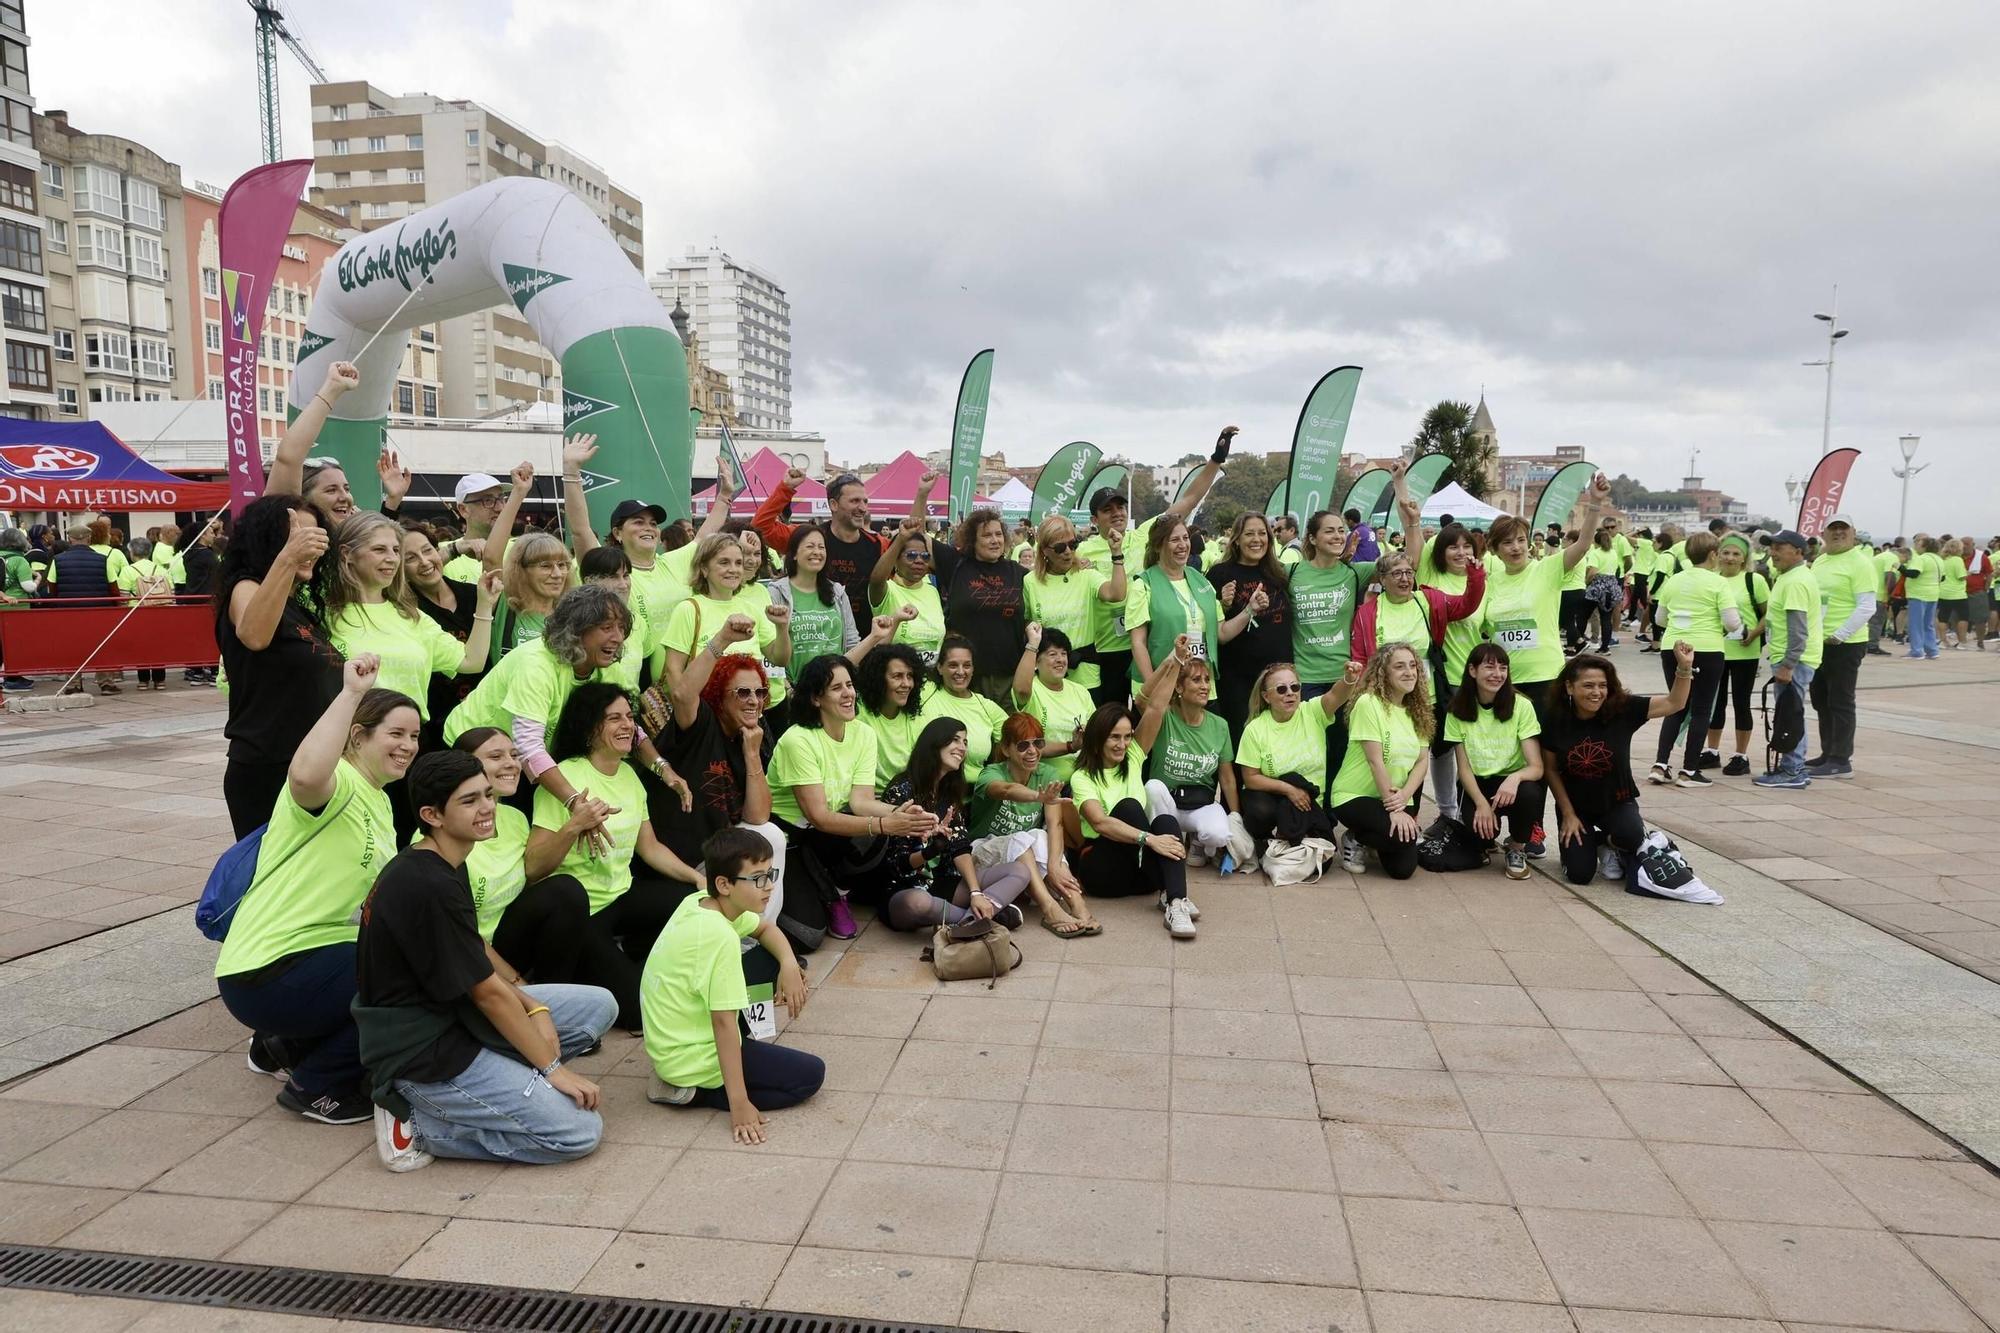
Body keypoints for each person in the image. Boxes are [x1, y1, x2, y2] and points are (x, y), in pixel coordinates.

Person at [355, 750, 616, 1171]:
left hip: (456, 1016)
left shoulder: (446, 858)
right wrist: (552, 1069)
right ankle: (415, 1122)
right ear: (432, 814)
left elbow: (472, 949)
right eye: (470, 800)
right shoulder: (426, 883)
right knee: (577, 1133)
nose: (487, 808)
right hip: (422, 1049)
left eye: (488, 795)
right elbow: (488, 995)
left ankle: (506, 1080)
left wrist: (535, 1005)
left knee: (599, 1004)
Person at [215, 656, 415, 1125]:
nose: (409, 745)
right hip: (269, 969)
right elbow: (304, 776)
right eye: (396, 733)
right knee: (403, 975)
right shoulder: (339, 782)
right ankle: (316, 1085)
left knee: (394, 953)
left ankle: (281, 1046)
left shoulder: (380, 802)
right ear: (357, 737)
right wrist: (350, 695)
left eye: (414, 736)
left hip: (300, 963)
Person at [529, 684, 703, 1028]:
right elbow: (533, 867)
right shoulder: (565, 778)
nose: (628, 726)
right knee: (639, 1016)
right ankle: (596, 969)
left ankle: (633, 964)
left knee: (692, 902)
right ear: (590, 727)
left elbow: (649, 847)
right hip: (583, 912)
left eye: (629, 717)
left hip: (622, 895)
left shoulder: (628, 775)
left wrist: (696, 878)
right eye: (614, 718)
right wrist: (574, 825)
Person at [641, 828, 821, 1144]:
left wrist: (790, 965)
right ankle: (693, 1093)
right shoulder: (719, 936)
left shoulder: (700, 901)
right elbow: (723, 1023)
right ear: (725, 884)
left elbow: (766, 928)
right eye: (757, 879)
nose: (769, 887)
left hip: (672, 1043)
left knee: (770, 958)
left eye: (770, 874)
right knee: (809, 1077)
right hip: (690, 1057)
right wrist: (739, 1104)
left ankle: (716, 1076)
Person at [767, 654, 938, 941]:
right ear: (815, 699)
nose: (848, 693)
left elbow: (860, 802)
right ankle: (820, 891)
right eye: (836, 688)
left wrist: (907, 816)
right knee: (809, 935)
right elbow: (818, 817)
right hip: (791, 837)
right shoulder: (798, 740)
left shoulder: (863, 733)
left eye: (849, 685)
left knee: (881, 832)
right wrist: (884, 824)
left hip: (827, 834)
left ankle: (838, 891)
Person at [217, 498, 346, 836]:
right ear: (267, 542)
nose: (310, 547)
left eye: (314, 537)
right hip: (270, 767)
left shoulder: (297, 607)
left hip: (311, 767)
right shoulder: (246, 588)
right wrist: (288, 558)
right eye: (296, 537)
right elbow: (254, 635)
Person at [1074, 428, 1232, 702]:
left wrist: (1216, 460)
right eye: (1108, 510)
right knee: (1114, 725)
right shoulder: (1084, 551)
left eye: (1120, 507)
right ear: (1094, 519)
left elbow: (1188, 501)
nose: (1117, 514)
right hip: (1109, 649)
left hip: (1150, 645)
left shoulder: (1144, 534)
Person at [444, 727, 599, 986]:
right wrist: (517, 984)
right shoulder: (445, 829)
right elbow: (455, 931)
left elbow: (533, 876)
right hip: (462, 953)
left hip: (504, 941)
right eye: (496, 756)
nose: (511, 764)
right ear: (464, 763)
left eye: (515, 755)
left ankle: (556, 993)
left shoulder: (515, 818)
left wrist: (574, 826)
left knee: (565, 890)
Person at [325, 511, 499, 736]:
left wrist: (484, 604)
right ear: (347, 554)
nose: (391, 558)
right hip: (348, 741)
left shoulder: (411, 615)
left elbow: (471, 661)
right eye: (379, 549)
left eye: (396, 551)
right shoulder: (322, 610)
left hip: (410, 744)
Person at [1541, 644, 1695, 884]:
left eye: (1603, 685)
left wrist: (1684, 668)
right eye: (1588, 685)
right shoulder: (1555, 719)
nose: (1597, 692)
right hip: (1576, 807)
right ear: (1569, 687)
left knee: (1632, 837)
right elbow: (1550, 769)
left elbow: (1674, 704)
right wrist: (1568, 814)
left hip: (1617, 801)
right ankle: (1585, 846)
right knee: (1580, 875)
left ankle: (1605, 843)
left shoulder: (1622, 709)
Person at [1070, 662, 1200, 939]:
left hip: (1140, 876)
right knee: (1129, 807)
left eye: (1127, 736)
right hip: (1102, 873)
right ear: (1096, 740)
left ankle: (1175, 901)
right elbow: (1100, 822)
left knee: (1165, 819)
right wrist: (1150, 839)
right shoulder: (1082, 777)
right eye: (1114, 737)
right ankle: (1172, 892)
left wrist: (1177, 662)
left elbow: (1155, 708)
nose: (1123, 744)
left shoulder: (1133, 756)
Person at [879, 717, 1036, 932]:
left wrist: (976, 893)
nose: (962, 747)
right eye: (955, 740)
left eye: (965, 742)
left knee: (1020, 871)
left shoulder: (949, 794)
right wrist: (933, 849)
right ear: (935, 742)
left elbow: (961, 847)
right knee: (917, 903)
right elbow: (896, 866)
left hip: (942, 884)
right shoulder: (902, 790)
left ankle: (972, 921)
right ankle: (983, 919)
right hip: (903, 889)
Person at [969, 713, 1095, 937]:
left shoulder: (1047, 773)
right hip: (983, 852)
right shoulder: (991, 773)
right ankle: (1050, 908)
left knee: (1039, 834)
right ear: (1006, 749)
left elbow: (1055, 824)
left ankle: (1076, 902)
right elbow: (1006, 790)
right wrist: (1038, 796)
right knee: (1022, 839)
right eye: (1022, 745)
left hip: (1023, 854)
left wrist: (1055, 865)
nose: (1032, 751)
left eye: (1038, 743)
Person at [1327, 644, 1433, 879]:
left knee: (1402, 870)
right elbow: (1375, 761)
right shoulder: (1368, 703)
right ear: (1383, 672)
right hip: (1355, 796)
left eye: (1413, 665)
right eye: (1399, 666)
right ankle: (1355, 838)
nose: (1409, 672)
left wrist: (1404, 796)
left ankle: (1371, 838)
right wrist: (1394, 808)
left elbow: (1422, 761)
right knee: (1401, 835)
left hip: (1396, 795)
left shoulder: (1417, 710)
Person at [1647, 532, 1743, 788]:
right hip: (1707, 648)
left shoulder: (1674, 581)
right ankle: (1689, 770)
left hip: (1673, 645)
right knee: (1701, 709)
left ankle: (1661, 764)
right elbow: (1733, 622)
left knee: (1675, 704)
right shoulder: (1718, 582)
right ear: (1713, 554)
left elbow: (1659, 619)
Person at [1236, 658, 1362, 849]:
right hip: (1275, 797)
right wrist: (1289, 789)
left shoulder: (1312, 712)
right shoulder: (1255, 728)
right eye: (1281, 689)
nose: (1290, 694)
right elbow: (1250, 778)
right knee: (1260, 810)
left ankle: (1285, 839)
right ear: (1266, 697)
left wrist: (1349, 679)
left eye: (1295, 687)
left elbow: (1336, 696)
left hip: (1308, 802)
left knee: (1323, 856)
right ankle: (1262, 839)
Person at [1446, 644, 1546, 879]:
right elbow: (1464, 770)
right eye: (1489, 667)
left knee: (1531, 792)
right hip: (1477, 784)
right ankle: (1488, 837)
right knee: (1477, 840)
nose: (1497, 674)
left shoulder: (1522, 705)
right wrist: (1481, 803)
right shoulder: (1456, 710)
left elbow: (1536, 767)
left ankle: (1517, 848)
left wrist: (1515, 777)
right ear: (1472, 670)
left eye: (1503, 667)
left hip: (1512, 785)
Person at [663, 534, 792, 712]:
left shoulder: (750, 608)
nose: (733, 569)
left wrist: (782, 627)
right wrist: (689, 716)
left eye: (738, 563)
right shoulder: (689, 609)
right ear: (704, 569)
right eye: (724, 562)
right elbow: (673, 670)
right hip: (706, 717)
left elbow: (780, 659)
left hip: (749, 716)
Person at [1143, 651, 1245, 869]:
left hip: (1199, 803)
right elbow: (1143, 699)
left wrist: (1235, 817)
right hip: (1167, 803)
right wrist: (1172, 662)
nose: (1205, 686)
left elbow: (1227, 779)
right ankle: (1168, 842)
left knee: (1219, 835)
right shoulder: (1164, 716)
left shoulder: (1220, 725)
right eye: (1196, 680)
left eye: (1207, 680)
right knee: (1152, 787)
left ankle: (1198, 842)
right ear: (1179, 687)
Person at [1129, 512, 1253, 692]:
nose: (1183, 545)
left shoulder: (1201, 581)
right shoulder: (1143, 585)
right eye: (1174, 540)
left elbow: (1221, 633)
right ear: (1157, 546)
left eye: (1185, 538)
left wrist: (1251, 609)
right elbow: (1138, 643)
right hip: (1161, 686)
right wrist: (1152, 688)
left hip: (1200, 687)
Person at [1206, 512, 1295, 741]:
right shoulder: (1220, 573)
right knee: (1242, 739)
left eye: (1262, 533)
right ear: (1236, 539)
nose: (1257, 539)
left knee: (1277, 739)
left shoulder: (1279, 572)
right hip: (1238, 679)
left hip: (1278, 677)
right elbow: (1212, 627)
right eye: (1249, 534)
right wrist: (1223, 605)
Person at [754, 468, 891, 616]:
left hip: (868, 636)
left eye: (865, 501)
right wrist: (786, 488)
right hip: (816, 634)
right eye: (855, 501)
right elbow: (760, 527)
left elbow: (911, 551)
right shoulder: (808, 538)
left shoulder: (879, 544)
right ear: (834, 505)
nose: (863, 508)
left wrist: (921, 495)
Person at [1024, 512, 1126, 700]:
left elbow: (1116, 594)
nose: (1068, 552)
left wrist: (1117, 554)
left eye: (1073, 544)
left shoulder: (1086, 575)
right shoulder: (1030, 582)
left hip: (1086, 675)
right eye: (1060, 547)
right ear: (1045, 550)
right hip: (1048, 675)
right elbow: (1026, 623)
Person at [932, 504, 1029, 701]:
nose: (995, 540)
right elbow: (915, 536)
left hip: (1009, 676)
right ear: (972, 541)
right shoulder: (956, 565)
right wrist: (923, 493)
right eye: (987, 536)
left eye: (999, 534)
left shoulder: (1019, 573)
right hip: (966, 676)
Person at [1806, 516, 1876, 779]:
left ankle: (1841, 759)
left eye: (1842, 529)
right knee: (1821, 700)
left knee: (1841, 701)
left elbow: (1867, 606)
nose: (1837, 533)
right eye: (1832, 529)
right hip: (1819, 641)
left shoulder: (1860, 563)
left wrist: (1841, 634)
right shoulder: (1822, 559)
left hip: (1845, 643)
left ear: (1853, 533)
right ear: (1824, 532)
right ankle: (1827, 753)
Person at [1753, 531, 1824, 789]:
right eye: (1772, 547)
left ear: (1798, 551)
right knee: (1791, 713)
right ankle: (1792, 767)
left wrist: (1788, 664)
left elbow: (1798, 629)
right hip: (1790, 657)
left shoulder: (1795, 582)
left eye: (1780, 547)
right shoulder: (1790, 577)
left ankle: (1793, 770)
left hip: (1794, 660)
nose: (1773, 552)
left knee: (1790, 715)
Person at [1700, 535, 1767, 777]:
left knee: (1741, 702)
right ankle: (1712, 751)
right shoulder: (1711, 579)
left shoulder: (1754, 580)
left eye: (1736, 554)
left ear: (1744, 558)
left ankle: (1741, 755)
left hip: (1745, 650)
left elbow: (1767, 614)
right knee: (1714, 702)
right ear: (1717, 555)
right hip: (1715, 649)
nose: (1730, 558)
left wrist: (1754, 634)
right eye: (1726, 553)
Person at [1011, 625, 1097, 780]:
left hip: (1083, 778)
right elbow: (1022, 690)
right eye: (1052, 654)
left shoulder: (1080, 691)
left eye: (1064, 654)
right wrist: (1071, 746)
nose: (1060, 660)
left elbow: (1097, 732)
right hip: (1043, 780)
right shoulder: (1031, 690)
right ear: (1036, 663)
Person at [917, 634, 1011, 770]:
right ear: (939, 667)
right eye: (953, 665)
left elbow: (1019, 740)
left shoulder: (986, 706)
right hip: (931, 785)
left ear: (973, 669)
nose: (960, 672)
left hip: (976, 788)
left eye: (967, 666)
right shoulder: (924, 691)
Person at [869, 513, 948, 664]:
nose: (919, 560)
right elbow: (876, 580)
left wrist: (923, 493)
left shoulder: (931, 589)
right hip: (897, 679)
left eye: (925, 556)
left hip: (931, 681)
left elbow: (919, 527)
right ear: (896, 561)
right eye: (911, 555)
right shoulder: (887, 590)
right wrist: (900, 539)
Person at [856, 641, 928, 787]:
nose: (906, 684)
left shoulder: (917, 717)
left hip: (909, 799)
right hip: (868, 800)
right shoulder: (857, 712)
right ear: (878, 679)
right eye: (897, 676)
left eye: (910, 676)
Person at [117, 536, 176, 690]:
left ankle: (143, 680)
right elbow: (172, 594)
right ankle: (160, 680)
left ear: (131, 552)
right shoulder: (162, 569)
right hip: (160, 612)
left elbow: (123, 597)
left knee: (140, 646)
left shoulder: (127, 571)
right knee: (159, 645)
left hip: (136, 612)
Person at [0, 527, 35, 691]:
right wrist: (38, 580)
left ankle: (6, 676)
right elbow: (28, 587)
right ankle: (13, 679)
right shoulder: (20, 560)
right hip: (17, 607)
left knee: (2, 645)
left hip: (1, 606)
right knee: (15, 644)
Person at [1902, 534, 1943, 659]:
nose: (1916, 546)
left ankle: (1917, 651)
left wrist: (1900, 567)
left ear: (1924, 547)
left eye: (1918, 544)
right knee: (1927, 624)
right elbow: (1943, 577)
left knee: (1915, 624)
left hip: (1919, 594)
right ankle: (1932, 650)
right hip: (1933, 594)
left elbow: (1914, 573)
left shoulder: (1921, 558)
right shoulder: (1939, 559)